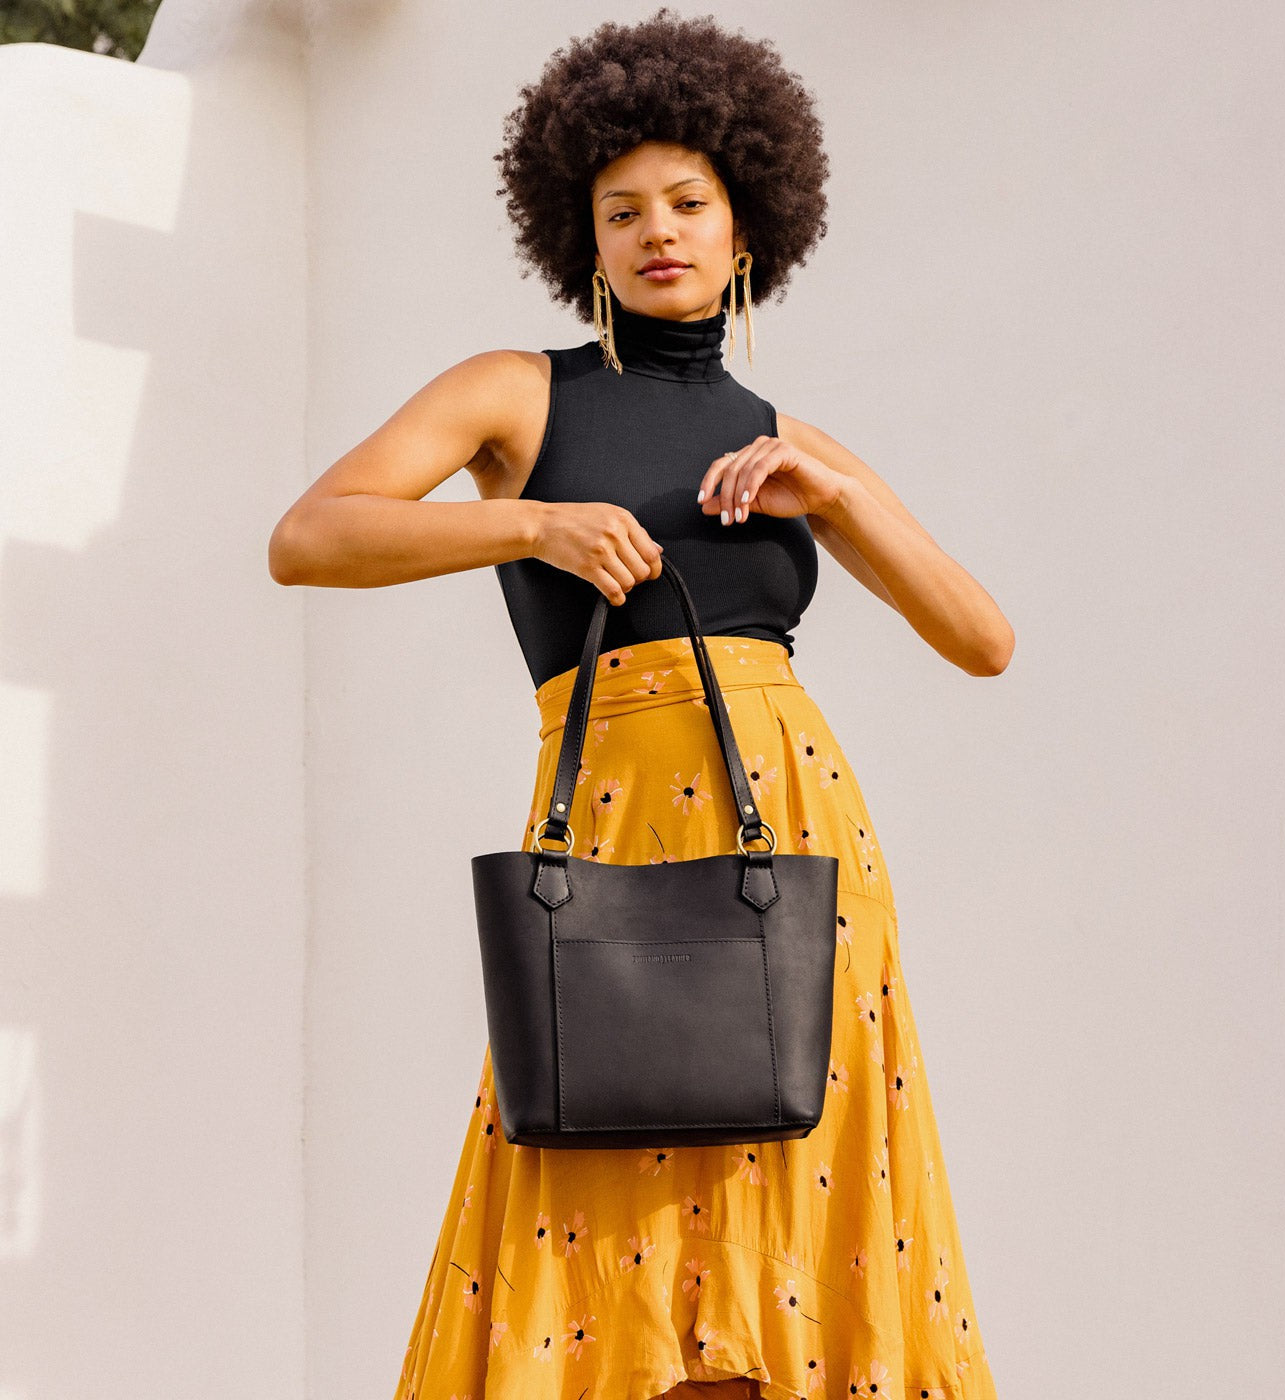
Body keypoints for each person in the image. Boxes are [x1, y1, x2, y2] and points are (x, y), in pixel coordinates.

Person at [268, 9, 1012, 1398]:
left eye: (688, 202)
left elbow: (983, 638)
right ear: (583, 237)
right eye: (621, 211)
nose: (656, 231)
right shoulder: (515, 395)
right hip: (613, 840)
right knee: (597, 1204)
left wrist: (839, 497)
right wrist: (528, 531)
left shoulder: (792, 443)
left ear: (745, 231)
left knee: (792, 1212)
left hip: (795, 849)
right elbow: (309, 536)